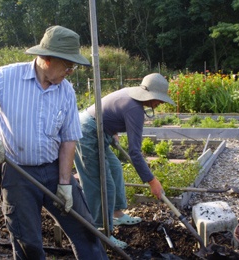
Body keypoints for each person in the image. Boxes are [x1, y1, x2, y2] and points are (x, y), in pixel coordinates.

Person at [0, 25, 108, 260]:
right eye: (68, 66)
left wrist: (65, 183)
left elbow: (68, 139)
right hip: (18, 175)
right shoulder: (6, 78)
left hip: (54, 170)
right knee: (29, 245)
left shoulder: (65, 91)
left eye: (73, 67)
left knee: (86, 232)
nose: (70, 72)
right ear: (47, 59)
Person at [74, 73, 175, 248]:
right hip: (87, 133)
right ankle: (101, 230)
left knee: (115, 169)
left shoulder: (131, 95)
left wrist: (112, 130)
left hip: (99, 130)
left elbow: (110, 109)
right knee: (102, 185)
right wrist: (152, 181)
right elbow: (135, 152)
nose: (160, 103)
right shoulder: (135, 110)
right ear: (150, 96)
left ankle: (116, 214)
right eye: (159, 100)